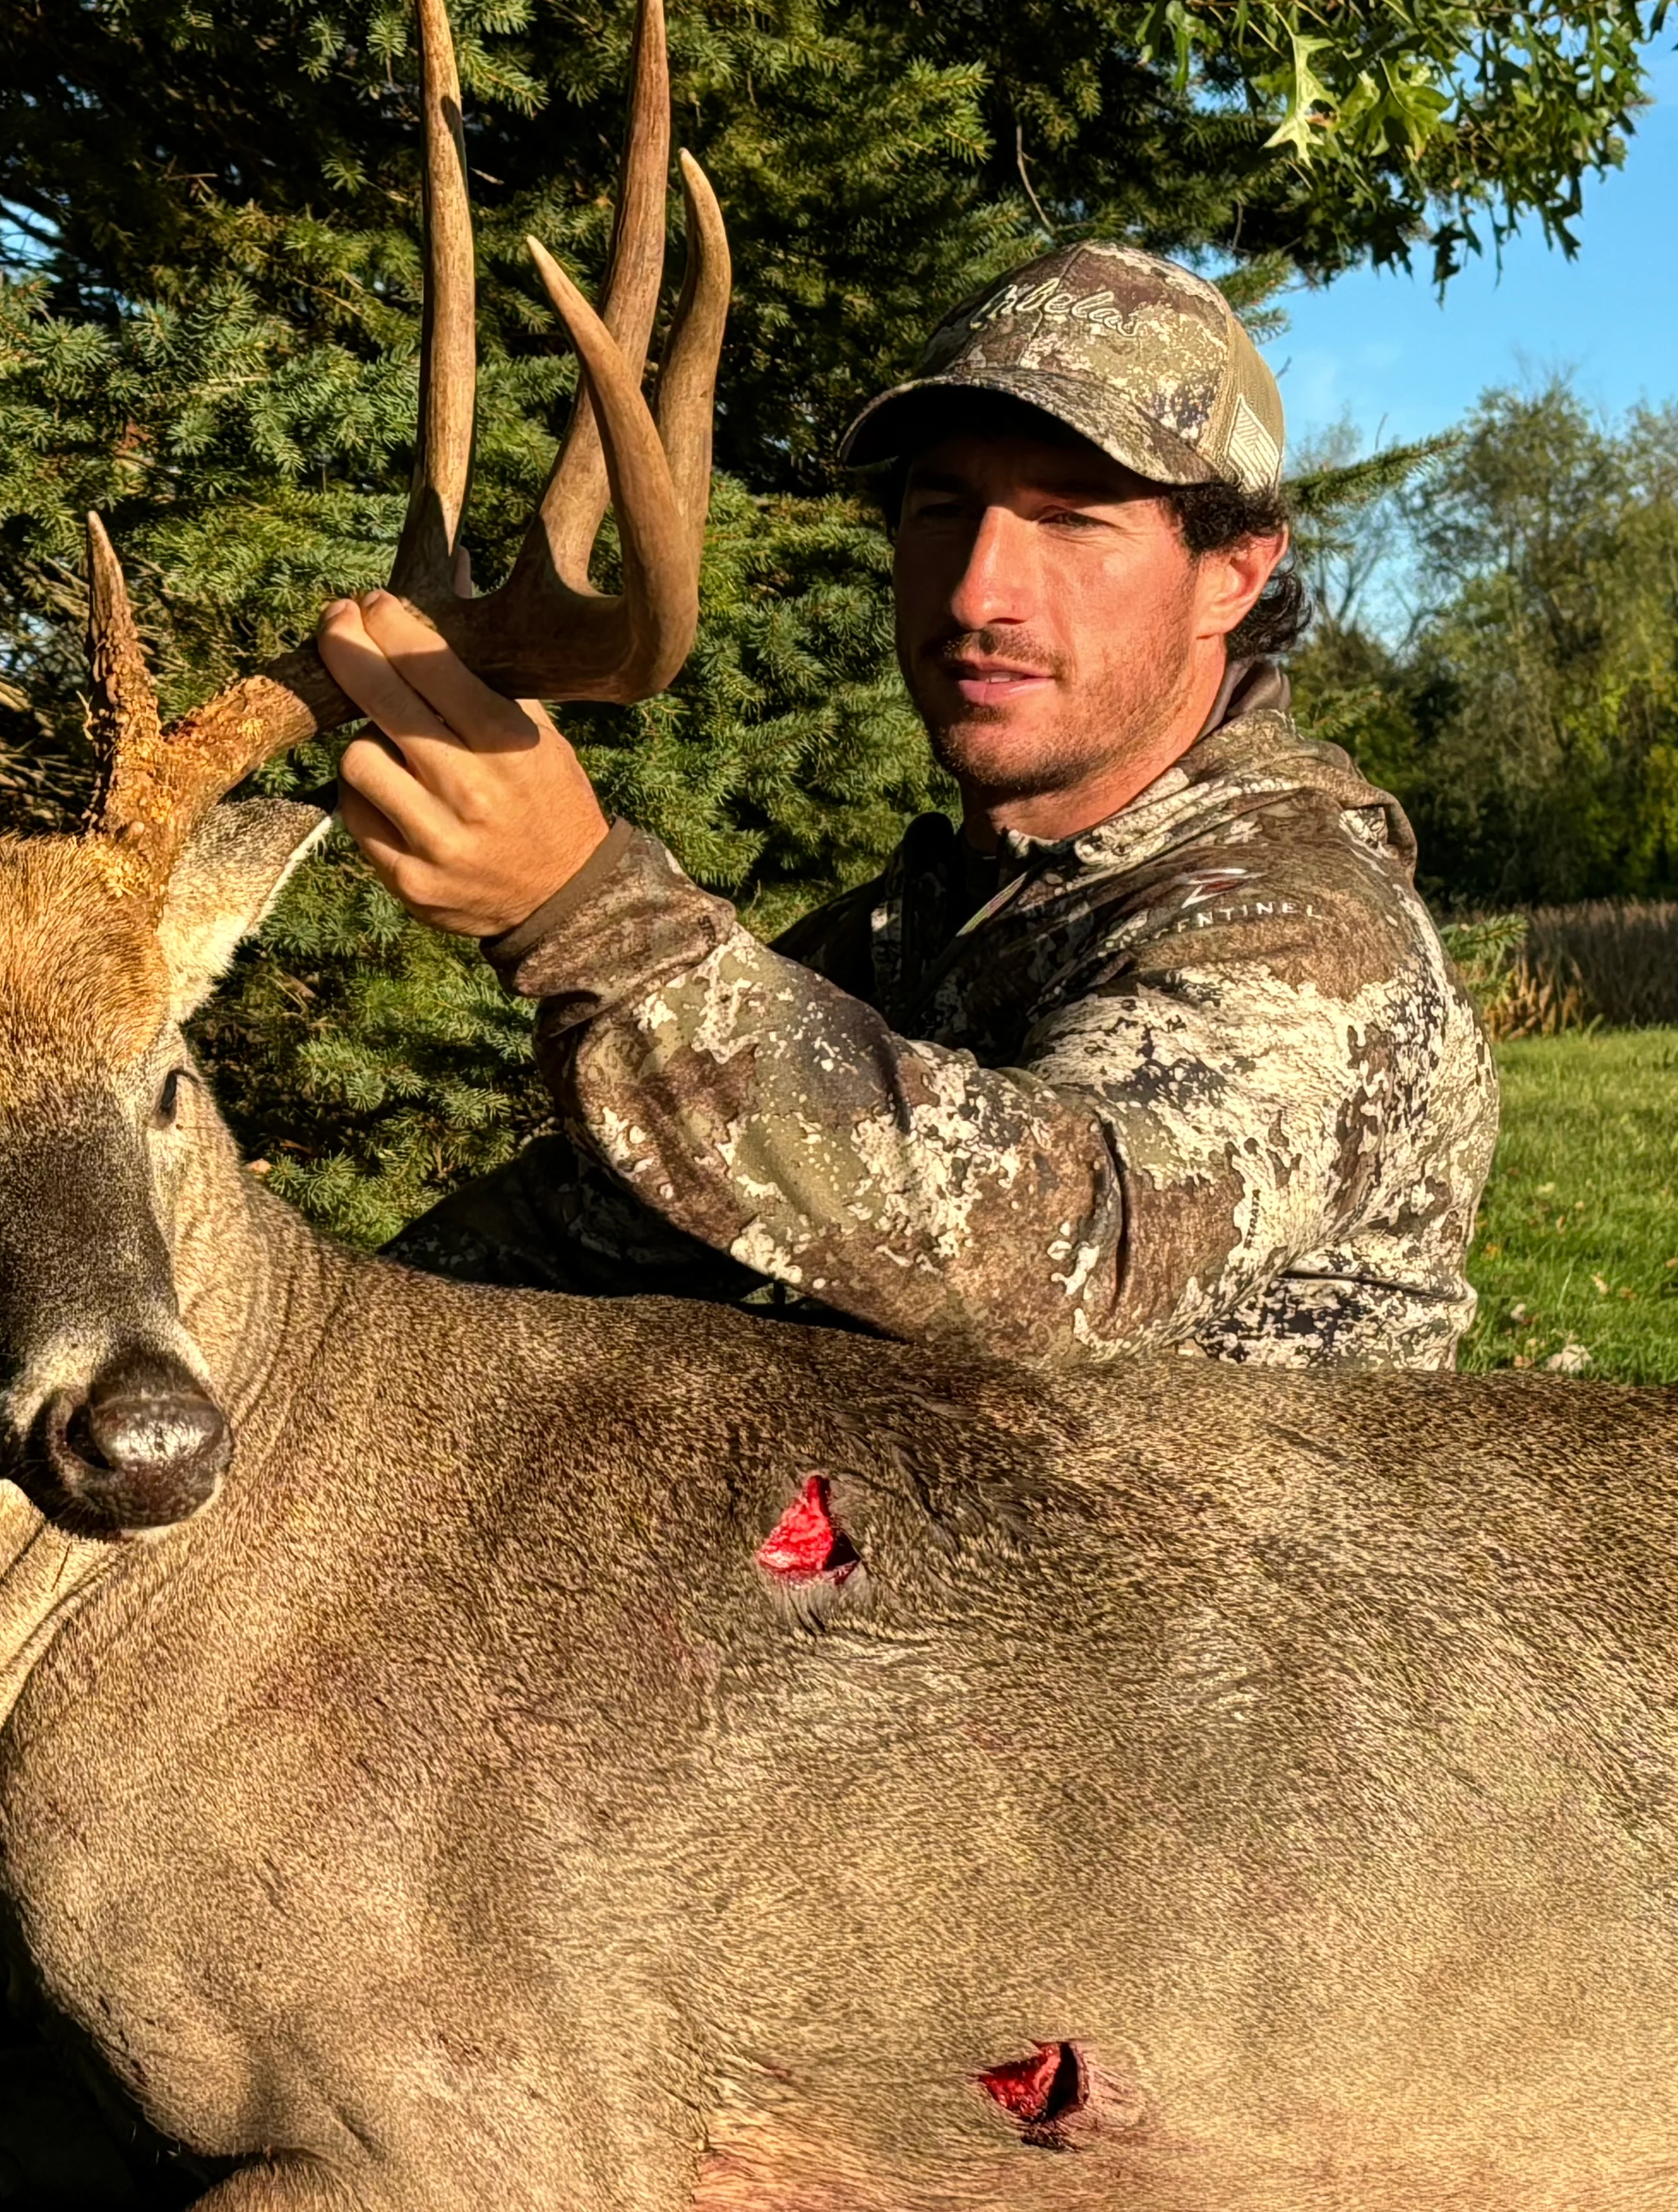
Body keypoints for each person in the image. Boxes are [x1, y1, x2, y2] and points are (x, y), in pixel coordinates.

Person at [316, 241, 1500, 1372]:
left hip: (1234, 1573)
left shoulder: (1314, 932)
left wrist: (586, 915)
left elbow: (1070, 1261)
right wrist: (304, 1354)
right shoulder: (930, 928)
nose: (982, 588)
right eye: (943, 513)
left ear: (1233, 574)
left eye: (1073, 519)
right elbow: (599, 1227)